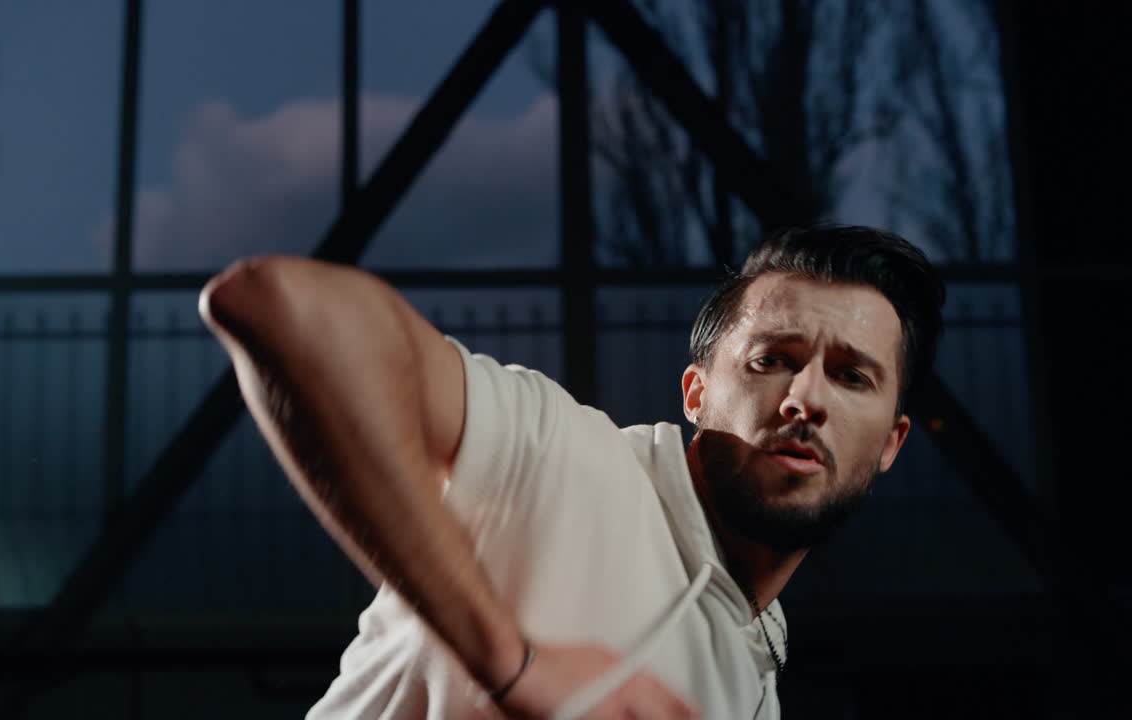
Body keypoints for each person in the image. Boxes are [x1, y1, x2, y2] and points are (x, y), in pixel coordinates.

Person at [198, 224, 945, 719]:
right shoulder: (570, 460)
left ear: (891, 442)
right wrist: (511, 662)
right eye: (772, 360)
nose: (803, 398)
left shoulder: (753, 674)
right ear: (696, 394)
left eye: (852, 378)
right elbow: (277, 301)